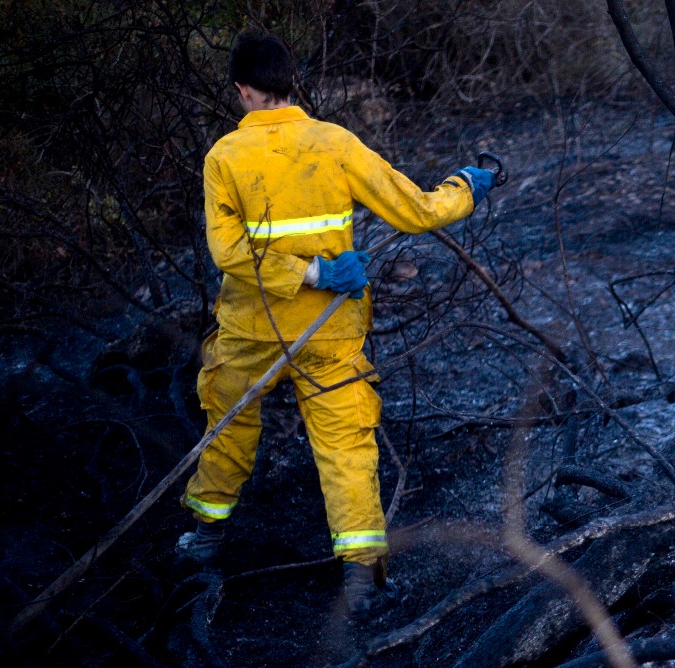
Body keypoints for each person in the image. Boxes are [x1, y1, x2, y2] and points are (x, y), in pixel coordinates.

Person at [178, 29, 497, 617]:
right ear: (291, 82)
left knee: (227, 429)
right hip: (331, 331)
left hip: (250, 331)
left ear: (242, 90)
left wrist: (303, 272)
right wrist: (465, 189)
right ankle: (361, 577)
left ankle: (205, 541)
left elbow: (228, 252)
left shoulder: (224, 156)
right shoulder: (334, 142)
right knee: (346, 446)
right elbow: (416, 211)